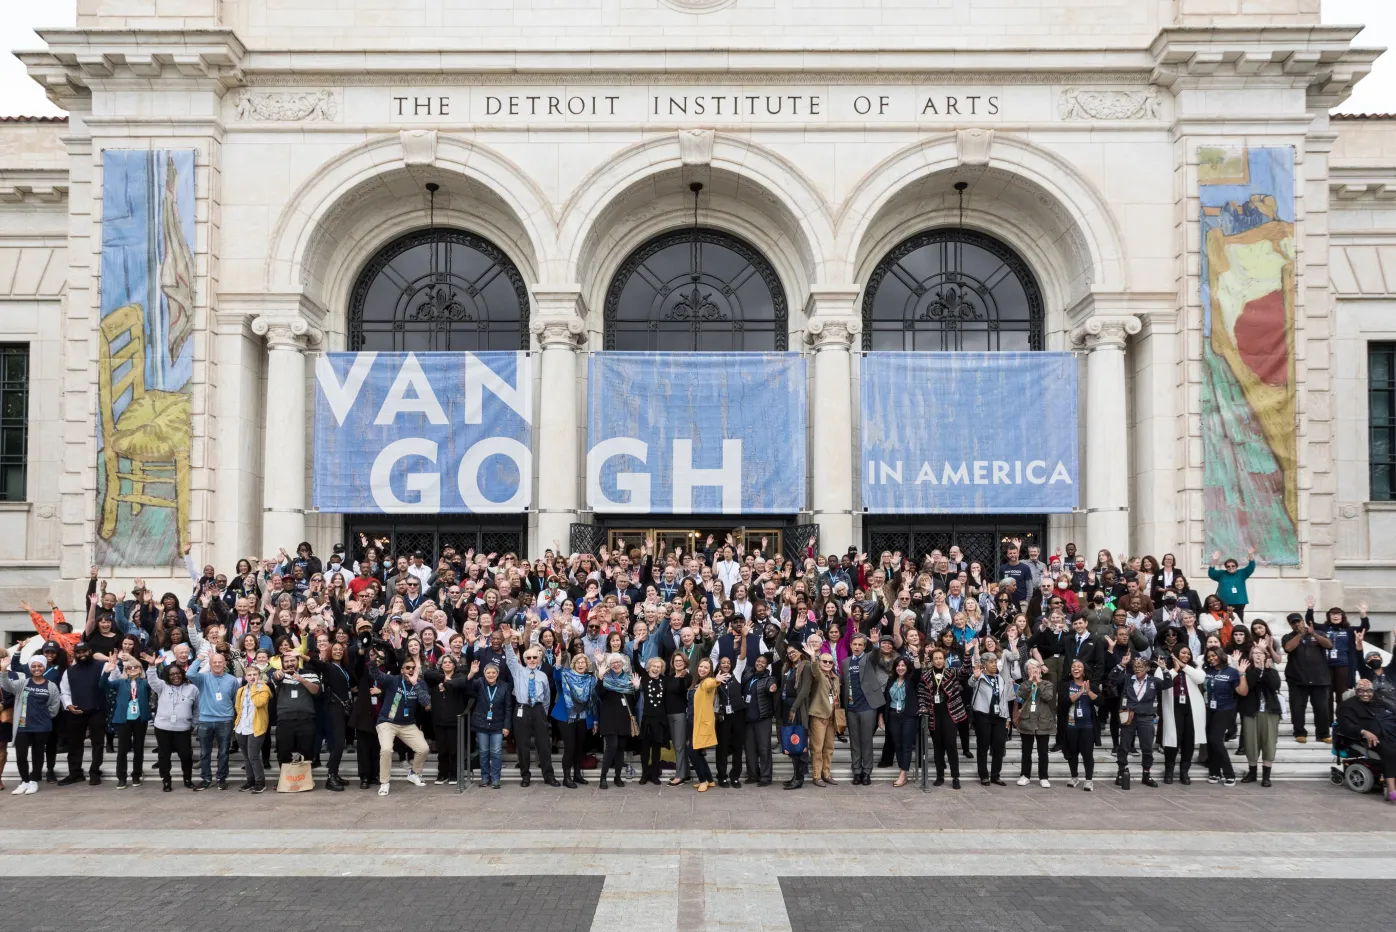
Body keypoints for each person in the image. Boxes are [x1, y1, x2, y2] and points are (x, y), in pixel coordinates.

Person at [368, 654, 431, 795]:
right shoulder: (393, 680)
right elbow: (375, 674)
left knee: (423, 748)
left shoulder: (419, 683)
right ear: (402, 670)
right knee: (386, 750)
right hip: (387, 722)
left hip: (408, 724)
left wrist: (415, 684)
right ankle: (384, 783)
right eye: (407, 668)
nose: (410, 670)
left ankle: (414, 773)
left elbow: (427, 703)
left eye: (413, 668)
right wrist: (373, 661)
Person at [1, 651, 62, 795]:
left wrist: (44, 717)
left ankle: (34, 781)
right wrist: (3, 670)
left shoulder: (51, 685)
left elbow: (54, 705)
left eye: (40, 666)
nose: (36, 669)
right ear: (30, 668)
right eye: (33, 666)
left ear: (44, 667)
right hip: (23, 725)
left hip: (42, 726)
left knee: (38, 754)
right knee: (21, 755)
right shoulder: (23, 683)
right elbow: (7, 686)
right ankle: (24, 781)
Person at [504, 641, 561, 787]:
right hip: (522, 709)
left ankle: (548, 775)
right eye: (528, 658)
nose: (532, 660)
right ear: (524, 660)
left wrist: (542, 712)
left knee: (543, 744)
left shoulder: (542, 675)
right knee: (522, 745)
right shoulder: (518, 671)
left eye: (535, 657)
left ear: (540, 659)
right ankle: (525, 775)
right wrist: (507, 641)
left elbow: (547, 697)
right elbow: (510, 657)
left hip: (538, 709)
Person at [186, 651, 240, 791]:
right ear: (210, 664)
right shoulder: (203, 678)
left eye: (219, 662)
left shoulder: (232, 680)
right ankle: (206, 779)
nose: (217, 664)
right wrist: (199, 659)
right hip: (205, 720)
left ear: (225, 664)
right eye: (214, 662)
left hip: (225, 720)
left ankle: (221, 779)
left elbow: (235, 700)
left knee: (223, 752)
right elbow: (190, 674)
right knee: (205, 753)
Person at [1337, 679, 1396, 803]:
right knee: (1390, 752)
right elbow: (1347, 725)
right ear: (1356, 691)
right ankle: (1391, 789)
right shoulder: (1347, 706)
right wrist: (1364, 732)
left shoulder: (1378, 701)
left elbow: (1393, 713)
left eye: (1369, 691)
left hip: (1390, 732)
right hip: (1370, 737)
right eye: (1361, 691)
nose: (1365, 694)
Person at [840, 634, 888, 786]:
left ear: (864, 646)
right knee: (855, 741)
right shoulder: (845, 662)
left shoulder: (868, 659)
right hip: (851, 707)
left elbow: (876, 656)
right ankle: (856, 771)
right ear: (851, 645)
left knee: (866, 741)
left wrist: (875, 645)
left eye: (860, 644)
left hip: (867, 706)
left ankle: (866, 772)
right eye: (854, 644)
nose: (857, 647)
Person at [57, 641, 106, 786]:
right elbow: (64, 692)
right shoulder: (69, 671)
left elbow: (112, 680)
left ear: (90, 651)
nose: (82, 654)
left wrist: (112, 666)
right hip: (76, 711)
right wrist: (68, 705)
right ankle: (75, 773)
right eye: (79, 652)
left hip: (97, 710)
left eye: (84, 651)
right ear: (75, 654)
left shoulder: (101, 666)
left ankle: (94, 772)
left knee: (97, 743)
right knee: (74, 744)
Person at [145, 660, 198, 792]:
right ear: (167, 676)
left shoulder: (192, 689)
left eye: (178, 673)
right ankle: (166, 780)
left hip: (183, 728)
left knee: (186, 755)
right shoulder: (162, 686)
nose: (175, 676)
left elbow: (197, 709)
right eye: (172, 674)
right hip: (163, 728)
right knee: (164, 755)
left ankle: (187, 779)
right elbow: (152, 680)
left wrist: (193, 723)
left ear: (182, 673)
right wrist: (152, 666)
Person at [102, 653, 151, 789]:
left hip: (140, 719)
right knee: (122, 750)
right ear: (126, 670)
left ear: (140, 669)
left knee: (139, 749)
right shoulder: (120, 683)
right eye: (130, 668)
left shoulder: (145, 683)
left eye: (136, 667)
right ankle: (121, 778)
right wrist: (106, 672)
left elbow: (155, 683)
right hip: (124, 720)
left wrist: (152, 665)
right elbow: (103, 685)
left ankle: (136, 776)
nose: (133, 669)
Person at [917, 646, 965, 788]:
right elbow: (921, 693)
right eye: (935, 658)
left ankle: (955, 777)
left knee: (951, 745)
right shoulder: (925, 675)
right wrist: (923, 706)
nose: (938, 661)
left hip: (950, 713)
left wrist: (967, 654)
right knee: (938, 746)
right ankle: (940, 775)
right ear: (931, 661)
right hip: (933, 715)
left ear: (945, 660)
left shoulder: (951, 672)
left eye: (940, 658)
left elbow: (965, 671)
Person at [1282, 609, 1332, 744]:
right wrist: (1299, 634)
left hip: (1319, 679)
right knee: (1297, 708)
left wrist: (1313, 633)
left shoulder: (1319, 633)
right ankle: (1299, 732)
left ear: (1303, 621)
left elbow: (1329, 645)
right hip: (1297, 679)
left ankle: (1323, 734)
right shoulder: (1288, 636)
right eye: (1293, 623)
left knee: (1322, 708)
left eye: (1298, 621)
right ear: (1290, 625)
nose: (1296, 624)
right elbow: (1288, 648)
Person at [1236, 645, 1282, 787]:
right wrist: (1256, 670)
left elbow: (1275, 685)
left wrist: (1266, 670)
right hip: (1251, 711)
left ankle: (1266, 775)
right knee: (1251, 742)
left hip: (1269, 712)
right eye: (1254, 653)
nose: (1257, 656)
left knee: (1268, 742)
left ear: (1265, 655)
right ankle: (1252, 772)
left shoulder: (1271, 670)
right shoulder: (1247, 671)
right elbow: (1249, 685)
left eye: (1260, 653)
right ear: (1250, 656)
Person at [1157, 645, 1204, 785]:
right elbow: (1160, 682)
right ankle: (1169, 770)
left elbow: (1200, 679)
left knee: (1188, 740)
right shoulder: (1165, 668)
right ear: (1175, 653)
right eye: (1183, 653)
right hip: (1174, 706)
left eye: (1188, 654)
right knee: (1173, 740)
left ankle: (1184, 771)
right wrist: (1175, 670)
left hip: (1190, 707)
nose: (1187, 655)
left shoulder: (1193, 668)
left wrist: (1184, 666)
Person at [1111, 656, 1158, 790]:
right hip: (1129, 716)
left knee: (1147, 747)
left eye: (1140, 666)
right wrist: (1121, 664)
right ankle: (1121, 772)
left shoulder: (1153, 681)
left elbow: (1168, 683)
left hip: (1146, 717)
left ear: (1147, 668)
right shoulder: (1127, 678)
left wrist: (1164, 669)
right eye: (1135, 666)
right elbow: (1112, 678)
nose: (1137, 669)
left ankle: (1146, 774)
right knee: (1124, 745)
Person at [422, 653, 470, 785]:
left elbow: (463, 682)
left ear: (455, 665)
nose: (447, 664)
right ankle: (442, 773)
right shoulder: (435, 678)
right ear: (441, 665)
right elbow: (426, 674)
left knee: (454, 749)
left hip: (455, 720)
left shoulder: (459, 677)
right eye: (445, 662)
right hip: (439, 719)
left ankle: (454, 774)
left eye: (450, 662)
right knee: (442, 749)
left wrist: (448, 681)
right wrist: (444, 677)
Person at [552, 652, 596, 788]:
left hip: (582, 716)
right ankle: (567, 777)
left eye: (583, 662)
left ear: (587, 665)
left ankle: (577, 775)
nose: (581, 665)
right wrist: (558, 664)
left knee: (580, 748)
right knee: (570, 747)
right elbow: (556, 676)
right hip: (566, 717)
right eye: (578, 662)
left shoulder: (590, 679)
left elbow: (593, 701)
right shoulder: (566, 675)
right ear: (573, 664)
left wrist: (595, 721)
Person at [967, 651, 1012, 785]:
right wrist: (975, 677)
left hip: (1000, 717)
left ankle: (995, 775)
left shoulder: (1001, 679)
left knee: (998, 746)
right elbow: (971, 683)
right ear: (984, 664)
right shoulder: (980, 677)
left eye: (995, 662)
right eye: (991, 662)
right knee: (983, 746)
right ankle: (983, 775)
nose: (994, 665)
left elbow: (1004, 699)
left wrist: (1008, 718)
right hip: (983, 716)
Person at [466, 660, 513, 789]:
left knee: (496, 752)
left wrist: (507, 726)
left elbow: (508, 707)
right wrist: (471, 673)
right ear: (484, 673)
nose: (491, 675)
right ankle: (485, 778)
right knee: (484, 751)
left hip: (498, 724)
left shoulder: (505, 686)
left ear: (497, 674)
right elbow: (467, 688)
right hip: (481, 724)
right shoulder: (479, 683)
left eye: (493, 673)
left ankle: (496, 778)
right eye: (488, 672)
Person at [271, 651, 321, 769]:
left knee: (307, 751)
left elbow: (316, 691)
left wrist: (302, 680)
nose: (290, 663)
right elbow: (276, 678)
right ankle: (286, 781)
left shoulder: (310, 673)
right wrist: (281, 673)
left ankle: (304, 782)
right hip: (284, 719)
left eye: (292, 660)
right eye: (286, 661)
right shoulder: (279, 674)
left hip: (306, 718)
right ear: (282, 663)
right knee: (283, 752)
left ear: (298, 661)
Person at [595, 652, 637, 789]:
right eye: (613, 663)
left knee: (620, 749)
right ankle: (603, 776)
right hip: (609, 719)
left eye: (618, 662)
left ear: (623, 664)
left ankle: (618, 777)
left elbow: (633, 701)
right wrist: (600, 678)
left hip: (624, 719)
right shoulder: (606, 678)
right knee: (611, 747)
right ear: (610, 665)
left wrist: (636, 688)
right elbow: (599, 693)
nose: (616, 664)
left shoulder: (629, 679)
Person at [1202, 646, 1240, 786]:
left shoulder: (1232, 672)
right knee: (1210, 741)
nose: (1211, 658)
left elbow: (1240, 691)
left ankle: (1229, 774)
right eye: (1209, 657)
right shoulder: (1207, 671)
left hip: (1225, 709)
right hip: (1209, 709)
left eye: (1214, 655)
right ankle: (1214, 772)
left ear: (1220, 655)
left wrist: (1242, 673)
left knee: (1216, 740)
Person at [687, 657, 726, 792]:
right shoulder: (697, 682)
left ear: (710, 671)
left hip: (701, 724)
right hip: (692, 722)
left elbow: (711, 684)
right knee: (697, 753)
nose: (702, 669)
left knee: (692, 752)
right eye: (701, 666)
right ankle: (709, 780)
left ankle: (703, 780)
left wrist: (716, 681)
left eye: (706, 668)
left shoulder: (707, 682)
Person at [1014, 658, 1055, 788]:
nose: (1033, 670)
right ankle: (1025, 775)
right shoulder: (1025, 684)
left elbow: (1047, 697)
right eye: (1030, 669)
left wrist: (1039, 683)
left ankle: (1043, 777)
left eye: (1035, 668)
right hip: (1027, 720)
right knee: (1026, 751)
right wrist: (1031, 682)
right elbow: (1021, 694)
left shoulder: (1047, 684)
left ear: (1040, 669)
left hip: (1043, 720)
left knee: (1043, 752)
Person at [778, 644, 813, 790]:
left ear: (801, 652)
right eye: (789, 652)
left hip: (797, 709)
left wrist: (794, 708)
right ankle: (795, 775)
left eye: (794, 651)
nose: (791, 654)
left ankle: (800, 778)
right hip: (787, 708)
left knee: (798, 744)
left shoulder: (806, 666)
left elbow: (804, 690)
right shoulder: (788, 667)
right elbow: (778, 649)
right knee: (791, 744)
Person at [233, 664, 271, 793]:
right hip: (242, 726)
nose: (252, 677)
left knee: (254, 755)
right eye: (249, 675)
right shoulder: (241, 690)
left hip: (256, 726)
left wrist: (254, 687)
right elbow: (238, 707)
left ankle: (260, 782)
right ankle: (250, 781)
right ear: (245, 677)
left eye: (255, 674)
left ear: (259, 676)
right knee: (246, 756)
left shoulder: (264, 688)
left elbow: (259, 703)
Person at [883, 656, 919, 787]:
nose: (900, 668)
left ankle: (903, 774)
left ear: (907, 667)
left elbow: (918, 672)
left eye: (903, 665)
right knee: (897, 745)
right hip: (893, 715)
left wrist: (915, 656)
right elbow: (886, 698)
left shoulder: (912, 680)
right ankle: (903, 771)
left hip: (908, 716)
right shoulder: (891, 680)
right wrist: (882, 716)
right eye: (898, 665)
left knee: (906, 746)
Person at [742, 652, 777, 787]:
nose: (760, 664)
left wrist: (772, 688)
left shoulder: (769, 678)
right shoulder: (748, 675)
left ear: (767, 665)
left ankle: (766, 777)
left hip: (763, 718)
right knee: (750, 749)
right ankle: (753, 775)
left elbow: (771, 686)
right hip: (748, 719)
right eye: (758, 661)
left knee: (764, 748)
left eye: (763, 662)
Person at [1062, 659, 1097, 791]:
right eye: (1073, 666)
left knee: (1087, 754)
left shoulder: (1090, 685)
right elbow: (1064, 703)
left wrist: (1088, 692)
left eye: (1079, 667)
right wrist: (1079, 693)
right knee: (1072, 753)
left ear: (1084, 670)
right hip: (1071, 725)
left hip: (1087, 726)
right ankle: (1074, 777)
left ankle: (1089, 780)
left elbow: (1100, 701)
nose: (1075, 669)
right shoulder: (1066, 685)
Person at [714, 655, 748, 787]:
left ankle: (735, 776)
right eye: (723, 662)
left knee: (737, 747)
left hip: (738, 715)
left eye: (728, 662)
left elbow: (742, 658)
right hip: (723, 717)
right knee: (722, 747)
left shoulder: (736, 675)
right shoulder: (715, 679)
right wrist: (715, 681)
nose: (726, 664)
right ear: (719, 665)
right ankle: (722, 776)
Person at [636, 655, 669, 786]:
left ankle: (654, 774)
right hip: (645, 719)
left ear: (661, 669)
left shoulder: (664, 680)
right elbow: (636, 662)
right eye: (654, 666)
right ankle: (644, 774)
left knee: (656, 749)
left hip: (659, 720)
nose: (656, 669)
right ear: (649, 667)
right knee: (644, 749)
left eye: (658, 667)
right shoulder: (643, 678)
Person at [807, 652, 840, 787]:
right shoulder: (818, 675)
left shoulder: (835, 678)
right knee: (817, 748)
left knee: (829, 748)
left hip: (832, 717)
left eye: (830, 662)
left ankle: (826, 774)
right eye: (824, 661)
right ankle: (816, 776)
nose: (827, 664)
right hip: (819, 715)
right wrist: (813, 658)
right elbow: (814, 671)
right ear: (820, 662)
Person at [1207, 549, 1256, 620]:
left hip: (1239, 603)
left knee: (1238, 621)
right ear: (1226, 567)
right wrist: (1214, 560)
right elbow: (1211, 573)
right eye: (1228, 566)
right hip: (1224, 603)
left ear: (1236, 566)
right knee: (1225, 622)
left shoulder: (1242, 573)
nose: (1231, 567)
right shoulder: (1222, 574)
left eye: (1233, 566)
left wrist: (1250, 555)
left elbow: (1251, 567)